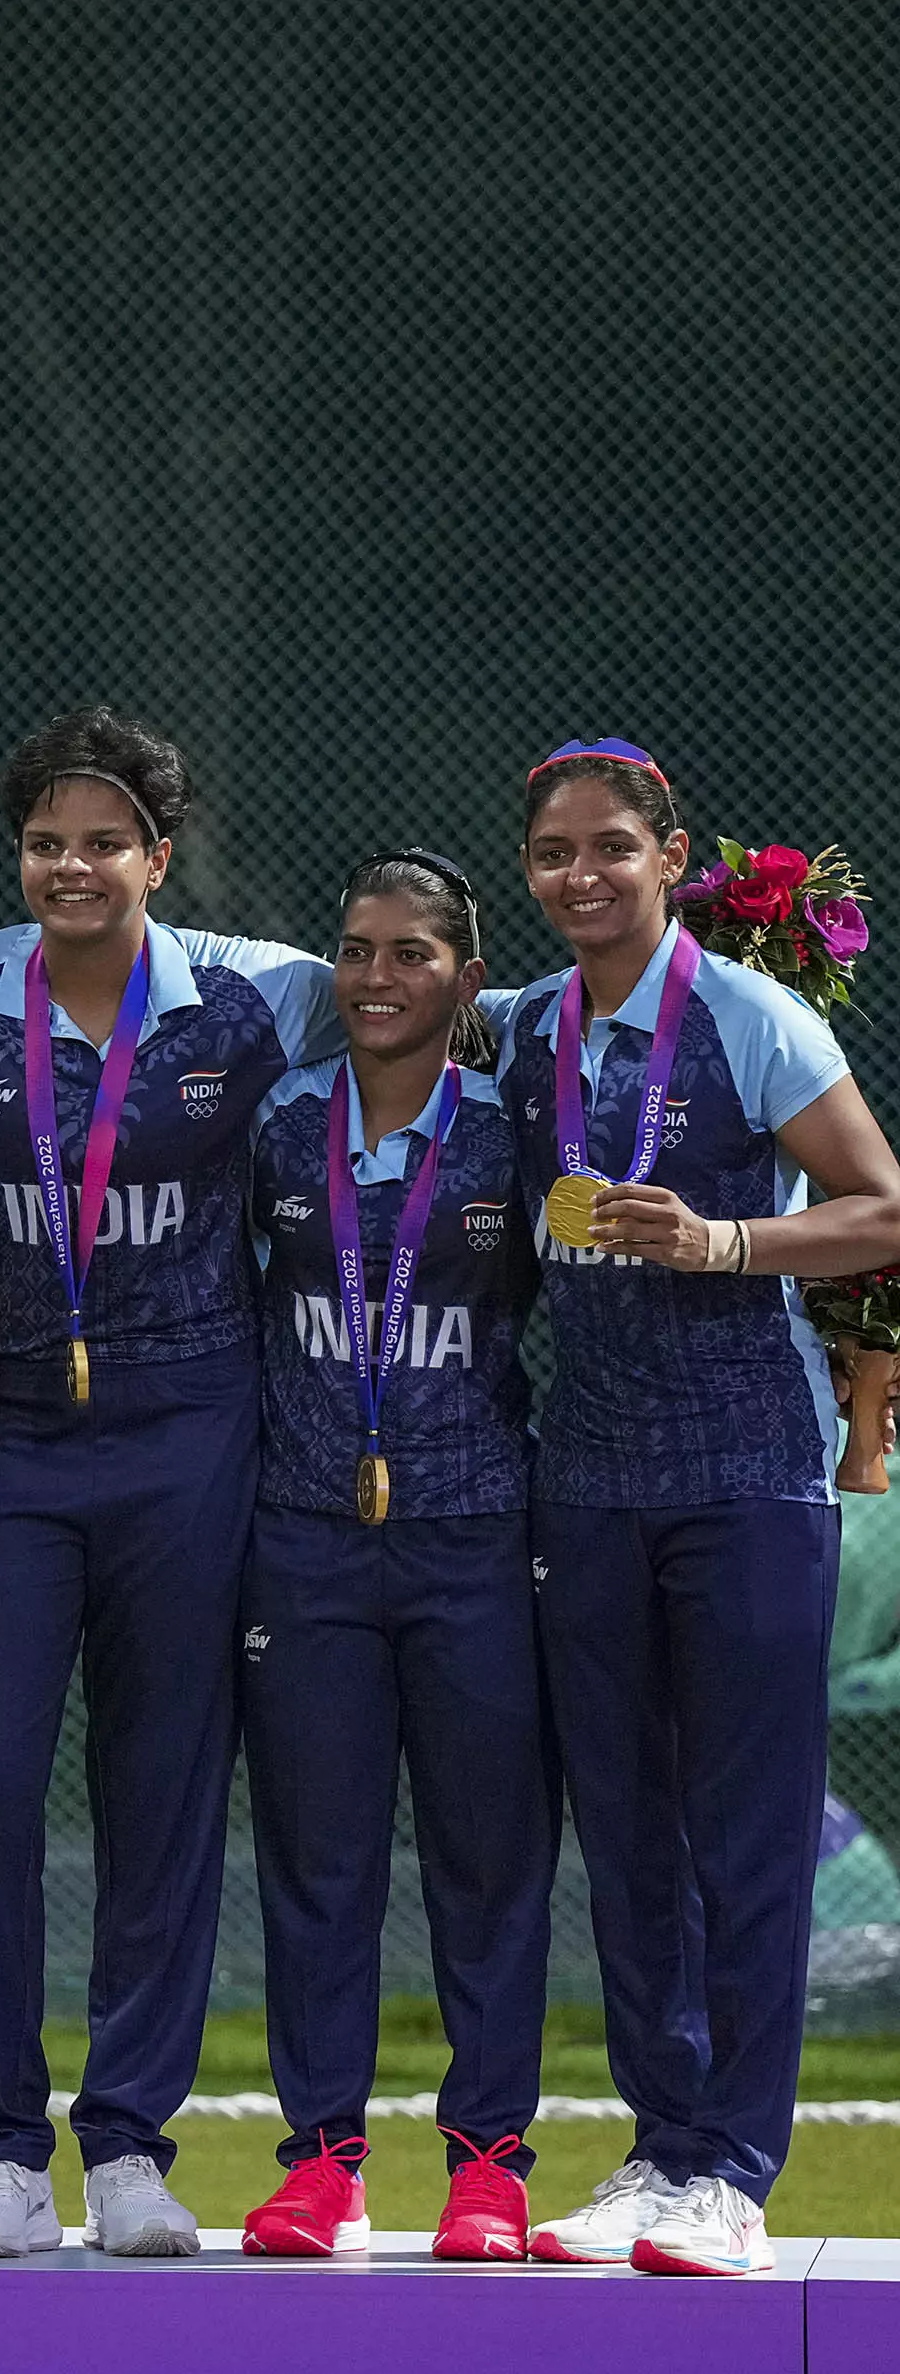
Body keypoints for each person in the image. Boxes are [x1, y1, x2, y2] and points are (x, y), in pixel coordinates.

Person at [0, 706, 337, 2259]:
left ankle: (128, 2146)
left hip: (191, 1422)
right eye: (48, 841)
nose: (74, 865)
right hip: (5, 1434)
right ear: (20, 857)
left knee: (163, 1788)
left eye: (104, 841)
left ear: (157, 857)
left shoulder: (265, 995)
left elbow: (438, 999)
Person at [502, 740, 900, 2276]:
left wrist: (729, 1241)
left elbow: (881, 1202)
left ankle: (733, 2169)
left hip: (747, 1477)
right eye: (553, 853)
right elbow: (371, 1005)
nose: (581, 876)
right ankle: (659, 2148)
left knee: (744, 1839)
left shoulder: (749, 1014)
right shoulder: (524, 1027)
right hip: (589, 1482)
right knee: (629, 1838)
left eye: (611, 847)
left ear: (671, 856)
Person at [229, 852, 549, 2262]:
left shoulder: (514, 1133)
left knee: (488, 1860)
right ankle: (323, 2164)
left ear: (467, 981)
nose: (374, 977)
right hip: (302, 1537)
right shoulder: (279, 1120)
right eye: (355, 950)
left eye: (411, 954)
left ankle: (489, 2165)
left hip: (474, 1530)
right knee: (320, 1859)